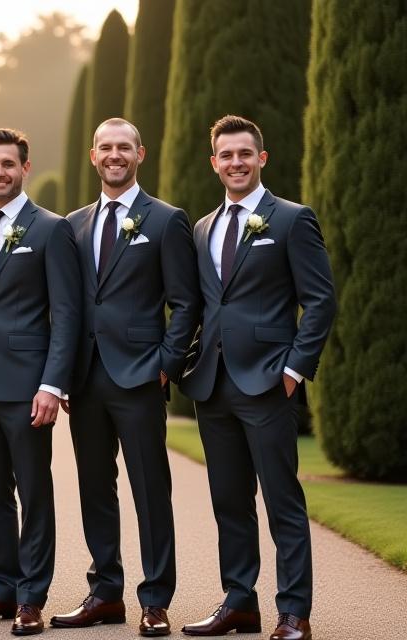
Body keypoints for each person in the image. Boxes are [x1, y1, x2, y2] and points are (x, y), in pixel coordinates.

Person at [179, 115, 336, 640]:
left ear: (261, 158)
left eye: (245, 154)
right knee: (229, 502)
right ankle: (239, 602)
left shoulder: (291, 219)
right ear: (214, 163)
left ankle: (294, 613)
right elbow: (204, 304)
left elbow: (319, 301)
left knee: (282, 502)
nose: (236, 163)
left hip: (269, 383)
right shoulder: (202, 228)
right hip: (213, 387)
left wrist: (293, 371)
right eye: (226, 155)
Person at [54, 118, 200, 637]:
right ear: (93, 156)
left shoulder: (166, 220)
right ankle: (104, 592)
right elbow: (68, 305)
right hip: (86, 380)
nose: (115, 155)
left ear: (141, 153)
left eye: (124, 147)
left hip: (141, 378)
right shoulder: (71, 224)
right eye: (106, 148)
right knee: (95, 488)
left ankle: (156, 599)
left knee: (149, 490)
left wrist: (165, 366)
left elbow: (185, 303)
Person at [0, 128, 80, 636]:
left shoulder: (51, 229)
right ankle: (1, 587)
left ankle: (31, 597)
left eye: (8, 163)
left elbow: (66, 314)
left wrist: (53, 384)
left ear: (25, 168)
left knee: (34, 490)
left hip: (28, 386)